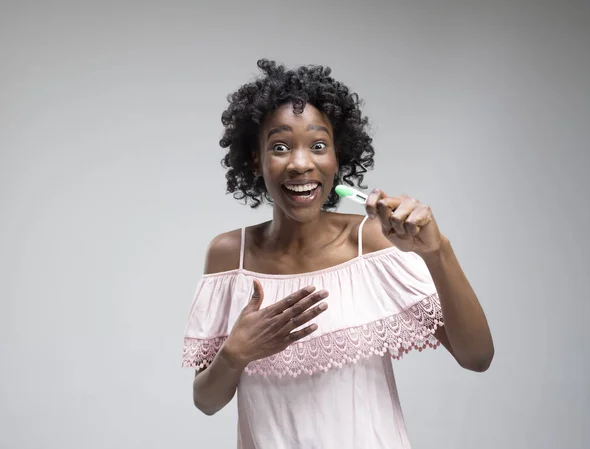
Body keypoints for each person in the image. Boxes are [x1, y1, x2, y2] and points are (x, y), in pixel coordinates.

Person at [182, 59, 494, 449]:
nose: (300, 163)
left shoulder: (374, 242)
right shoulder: (231, 257)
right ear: (254, 160)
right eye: (280, 147)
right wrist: (235, 354)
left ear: (336, 158)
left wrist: (437, 252)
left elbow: (477, 356)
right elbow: (206, 401)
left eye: (318, 145)